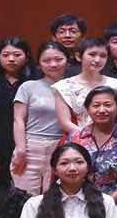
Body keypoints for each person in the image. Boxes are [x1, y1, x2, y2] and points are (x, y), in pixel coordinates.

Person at [12, 42, 73, 192]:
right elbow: (18, 120)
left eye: (59, 59)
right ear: (39, 64)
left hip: (61, 148)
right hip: (30, 147)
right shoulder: (28, 87)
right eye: (46, 61)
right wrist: (21, 149)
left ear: (68, 61)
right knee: (24, 198)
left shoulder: (75, 87)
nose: (53, 64)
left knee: (54, 199)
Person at [66, 85, 117, 203]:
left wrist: (109, 203)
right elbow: (66, 170)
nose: (102, 110)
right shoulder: (75, 137)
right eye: (96, 105)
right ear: (88, 110)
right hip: (77, 197)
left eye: (107, 105)